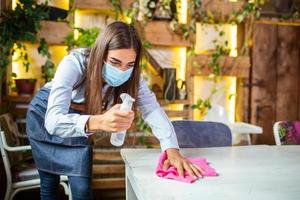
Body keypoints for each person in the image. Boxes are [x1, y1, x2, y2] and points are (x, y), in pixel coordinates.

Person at [26, 21, 203, 200]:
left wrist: (171, 148)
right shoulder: (75, 63)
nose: (122, 70)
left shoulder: (132, 77)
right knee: (49, 185)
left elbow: (151, 108)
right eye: (114, 62)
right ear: (101, 53)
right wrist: (100, 121)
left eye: (129, 64)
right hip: (46, 113)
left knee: (82, 188)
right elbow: (53, 121)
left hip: (82, 119)